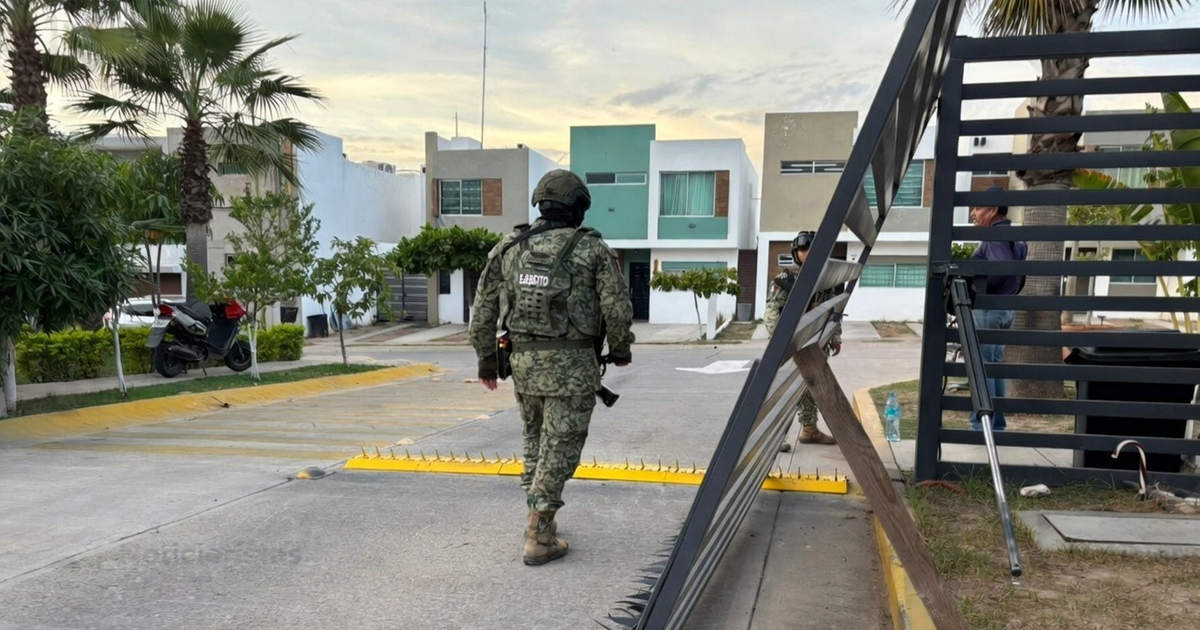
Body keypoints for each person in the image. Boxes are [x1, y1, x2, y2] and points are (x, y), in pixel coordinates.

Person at [469, 169, 635, 566]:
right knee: (561, 447)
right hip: (574, 365)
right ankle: (539, 532)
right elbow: (616, 307)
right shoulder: (591, 249)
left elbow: (482, 313)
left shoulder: (509, 246)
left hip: (523, 364)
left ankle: (537, 516)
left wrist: (487, 362)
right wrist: (621, 348)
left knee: (535, 439)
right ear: (578, 207)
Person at [763, 230, 841, 451]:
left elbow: (834, 311)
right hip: (791, 345)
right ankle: (771, 438)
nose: (807, 254)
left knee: (810, 387)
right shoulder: (785, 281)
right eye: (802, 250)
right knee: (782, 392)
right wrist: (784, 343)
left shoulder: (828, 281)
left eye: (811, 249)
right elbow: (771, 315)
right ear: (795, 253)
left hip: (816, 343)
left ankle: (809, 429)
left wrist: (835, 336)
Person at [967, 186, 1025, 432]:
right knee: (994, 364)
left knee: (983, 366)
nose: (973, 213)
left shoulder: (994, 236)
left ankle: (983, 425)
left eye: (978, 208)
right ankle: (997, 423)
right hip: (1005, 308)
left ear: (992, 210)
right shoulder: (1014, 236)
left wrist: (975, 285)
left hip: (990, 308)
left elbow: (1000, 268)